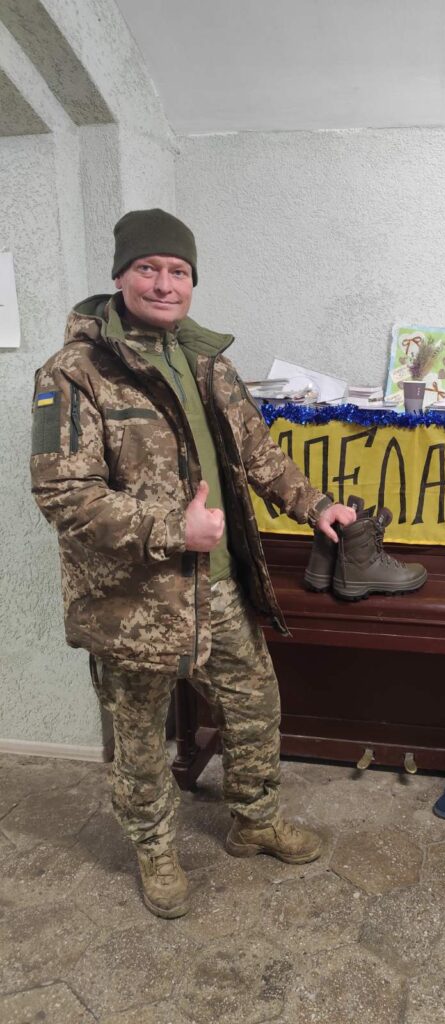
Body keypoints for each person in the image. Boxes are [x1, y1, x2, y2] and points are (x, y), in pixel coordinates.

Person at [30, 208, 357, 919]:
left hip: (219, 587)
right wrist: (171, 528)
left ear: (192, 281)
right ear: (120, 277)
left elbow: (259, 453)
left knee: (254, 704)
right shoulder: (74, 372)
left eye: (178, 271)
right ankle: (155, 851)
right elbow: (64, 495)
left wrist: (316, 506)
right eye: (147, 268)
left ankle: (255, 820)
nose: (164, 283)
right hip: (132, 603)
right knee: (142, 738)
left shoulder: (209, 363)